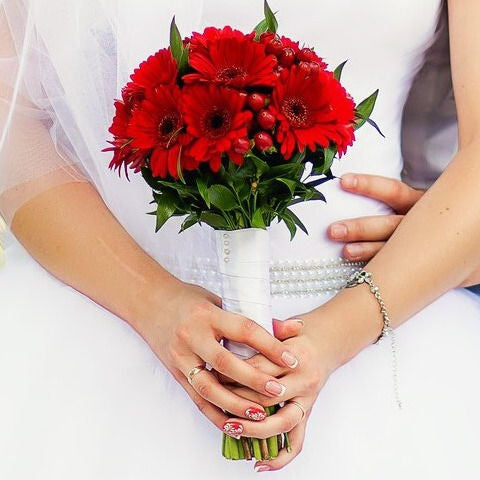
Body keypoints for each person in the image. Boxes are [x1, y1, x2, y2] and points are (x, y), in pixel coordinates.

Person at [1, 1, 479, 479]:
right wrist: (154, 302)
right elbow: (14, 122)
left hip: (385, 323)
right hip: (112, 319)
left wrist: (344, 327)